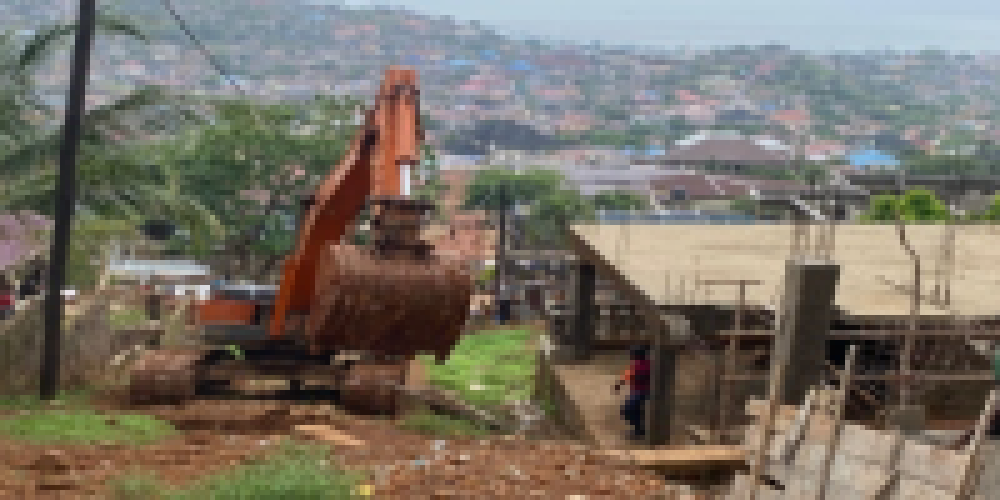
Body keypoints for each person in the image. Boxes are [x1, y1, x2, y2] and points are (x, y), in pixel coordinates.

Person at [614, 345, 652, 439]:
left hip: (640, 393)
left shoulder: (640, 365)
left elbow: (628, 376)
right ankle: (639, 428)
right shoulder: (641, 365)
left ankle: (639, 429)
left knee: (627, 410)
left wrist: (619, 385)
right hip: (640, 392)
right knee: (636, 411)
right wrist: (619, 384)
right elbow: (627, 376)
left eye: (633, 354)